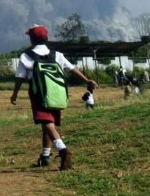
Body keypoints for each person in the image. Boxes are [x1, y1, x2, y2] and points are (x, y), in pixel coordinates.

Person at [10, 25, 98, 171]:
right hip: (57, 92)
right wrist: (86, 80)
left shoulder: (26, 56)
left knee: (47, 123)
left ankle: (63, 149)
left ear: (31, 39)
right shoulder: (56, 54)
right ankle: (45, 157)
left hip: (38, 93)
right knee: (48, 124)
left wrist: (14, 94)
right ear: (46, 38)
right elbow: (71, 69)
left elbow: (20, 77)